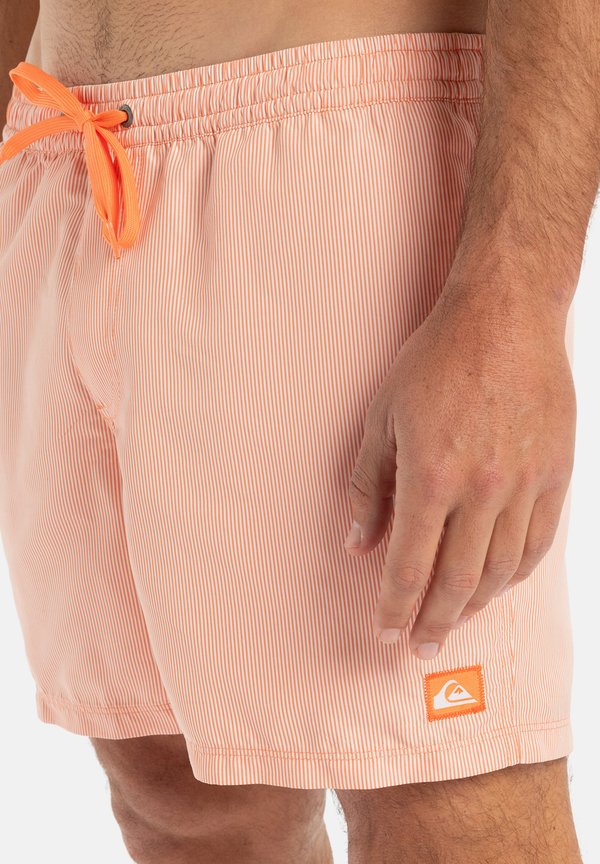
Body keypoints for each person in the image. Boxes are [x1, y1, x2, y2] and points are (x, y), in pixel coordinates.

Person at [0, 0, 597, 861]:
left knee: (442, 802)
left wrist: (517, 294)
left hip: (332, 142)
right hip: (57, 145)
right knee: (177, 792)